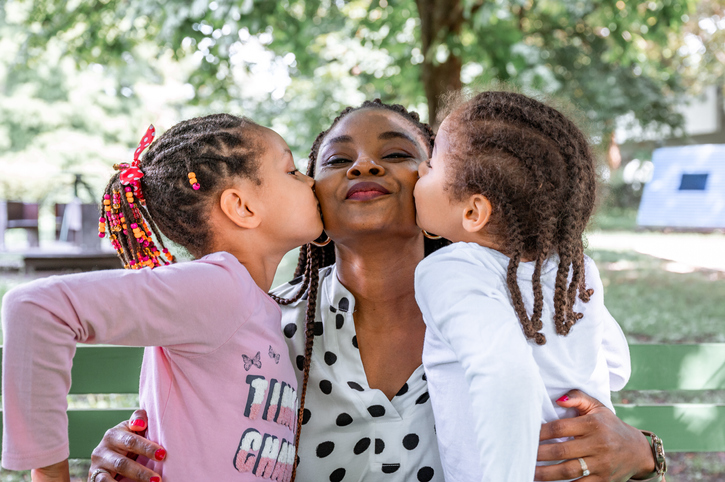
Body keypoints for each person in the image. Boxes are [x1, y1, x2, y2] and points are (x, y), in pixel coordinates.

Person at [85, 101, 663, 482]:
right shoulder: (259, 329)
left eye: (397, 154)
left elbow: (590, 382)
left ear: (458, 190)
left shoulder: (514, 308)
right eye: (338, 160)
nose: (364, 167)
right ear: (310, 194)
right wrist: (128, 455)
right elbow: (179, 436)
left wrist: (642, 454)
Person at [1, 114, 323, 482]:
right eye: (293, 171)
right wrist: (49, 474)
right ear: (242, 207)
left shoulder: (255, 304)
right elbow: (35, 308)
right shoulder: (218, 288)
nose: (311, 181)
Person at [412, 90, 631, 481]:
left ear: (473, 211)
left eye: (430, 165)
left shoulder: (448, 270)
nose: (418, 173)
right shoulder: (576, 272)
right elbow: (616, 369)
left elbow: (504, 375)